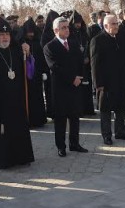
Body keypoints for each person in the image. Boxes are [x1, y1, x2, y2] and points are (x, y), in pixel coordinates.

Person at [0, 18, 35, 169]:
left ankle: (22, 157)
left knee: (18, 129)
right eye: (1, 34)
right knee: (1, 134)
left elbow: (28, 72)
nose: (5, 37)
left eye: (7, 34)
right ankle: (2, 161)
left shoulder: (16, 51)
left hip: (16, 100)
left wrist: (28, 55)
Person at [43, 17, 88, 157]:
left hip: (75, 86)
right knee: (61, 119)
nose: (67, 30)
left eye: (67, 27)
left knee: (74, 117)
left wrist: (80, 78)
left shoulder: (74, 44)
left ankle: (74, 144)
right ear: (56, 30)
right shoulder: (49, 46)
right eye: (63, 27)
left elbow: (80, 62)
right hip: (60, 88)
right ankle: (61, 146)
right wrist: (72, 78)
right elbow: (54, 67)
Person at [90, 14, 125, 145]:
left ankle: (120, 132)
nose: (116, 26)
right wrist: (98, 84)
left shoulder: (120, 37)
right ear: (105, 26)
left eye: (117, 23)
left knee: (121, 107)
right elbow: (95, 65)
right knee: (106, 110)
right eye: (113, 24)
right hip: (106, 83)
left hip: (120, 81)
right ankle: (107, 135)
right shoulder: (97, 40)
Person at [17, 18, 47, 128]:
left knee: (37, 98)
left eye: (32, 32)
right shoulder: (20, 44)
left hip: (37, 76)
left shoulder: (37, 43)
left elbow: (42, 58)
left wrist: (43, 71)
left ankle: (38, 120)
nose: (31, 34)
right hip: (25, 77)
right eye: (28, 32)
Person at [69, 10, 95, 116]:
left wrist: (88, 57)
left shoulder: (84, 33)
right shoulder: (69, 35)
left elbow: (90, 46)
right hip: (75, 65)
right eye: (76, 23)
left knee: (87, 87)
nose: (78, 25)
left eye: (79, 22)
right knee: (78, 88)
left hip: (86, 63)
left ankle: (88, 108)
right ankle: (79, 110)